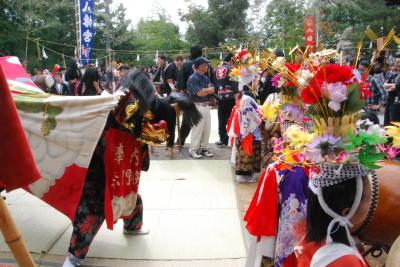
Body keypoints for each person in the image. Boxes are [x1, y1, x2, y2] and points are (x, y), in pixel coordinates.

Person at [62, 71, 156, 267]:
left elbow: (143, 153)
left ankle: (132, 226)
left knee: (131, 198)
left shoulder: (130, 111)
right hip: (98, 170)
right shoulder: (110, 107)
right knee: (94, 208)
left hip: (117, 170)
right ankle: (73, 258)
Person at [295, 166, 368, 267]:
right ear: (347, 212)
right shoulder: (345, 262)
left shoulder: (310, 238)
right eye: (368, 199)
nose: (371, 204)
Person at [177, 46, 216, 146]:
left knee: (187, 121)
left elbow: (181, 86)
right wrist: (211, 96)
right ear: (201, 53)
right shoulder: (207, 66)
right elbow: (211, 84)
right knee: (203, 124)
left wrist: (181, 100)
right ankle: (199, 145)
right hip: (204, 98)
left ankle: (180, 142)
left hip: (189, 98)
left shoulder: (185, 65)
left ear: (191, 53)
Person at [187, 57, 215, 159]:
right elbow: (199, 93)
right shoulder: (193, 78)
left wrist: (205, 90)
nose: (207, 66)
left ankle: (204, 148)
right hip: (196, 105)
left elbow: (212, 89)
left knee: (207, 129)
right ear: (199, 66)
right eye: (205, 64)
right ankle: (193, 150)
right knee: (197, 129)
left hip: (206, 105)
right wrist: (207, 90)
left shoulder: (205, 77)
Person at [214, 53, 239, 147]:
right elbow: (235, 86)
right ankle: (229, 138)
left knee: (221, 119)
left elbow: (214, 85)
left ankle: (222, 138)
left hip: (220, 98)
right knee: (230, 118)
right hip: (230, 98)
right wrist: (238, 101)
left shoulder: (216, 69)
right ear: (232, 60)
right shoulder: (232, 70)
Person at [384, 56, 400, 125]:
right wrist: (394, 85)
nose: (397, 64)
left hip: (396, 103)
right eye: (396, 62)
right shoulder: (394, 74)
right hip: (390, 101)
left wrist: (394, 86)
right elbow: (385, 85)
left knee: (393, 125)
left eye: (399, 62)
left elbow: (394, 87)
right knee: (387, 124)